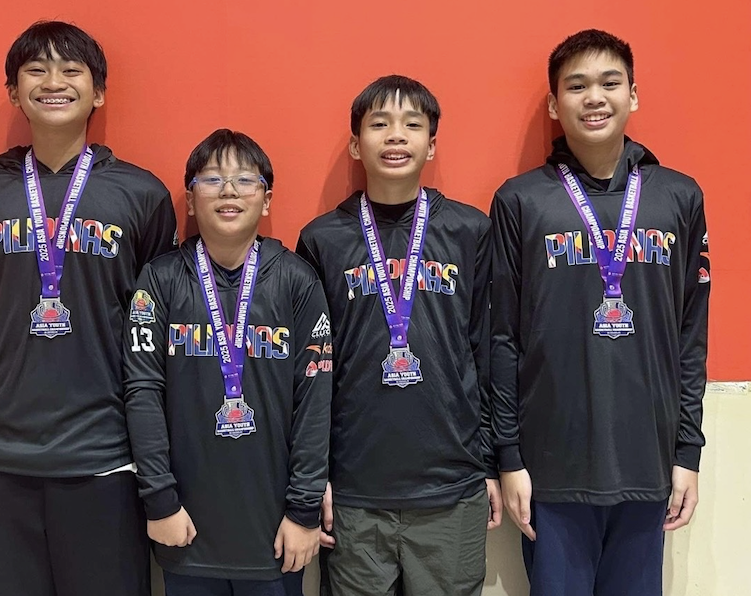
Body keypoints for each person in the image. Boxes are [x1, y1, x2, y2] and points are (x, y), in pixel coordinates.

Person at [0, 20, 177, 596]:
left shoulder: (142, 194)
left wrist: (158, 462)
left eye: (71, 70)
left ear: (99, 91)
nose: (53, 82)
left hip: (107, 460)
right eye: (36, 70)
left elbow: (157, 337)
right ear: (14, 92)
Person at [490, 29, 710, 596]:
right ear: (553, 103)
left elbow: (691, 337)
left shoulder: (679, 197)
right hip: (551, 469)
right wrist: (509, 457)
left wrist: (687, 452)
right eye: (577, 85)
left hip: (648, 463)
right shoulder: (520, 200)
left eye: (610, 83)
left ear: (633, 95)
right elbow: (501, 339)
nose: (594, 97)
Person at [296, 75, 500, 596]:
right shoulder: (322, 239)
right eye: (379, 124)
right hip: (355, 490)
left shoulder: (468, 230)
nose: (395, 136)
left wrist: (495, 464)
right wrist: (313, 475)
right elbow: (311, 371)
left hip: (451, 486)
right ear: (354, 143)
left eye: (413, 125)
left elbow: (487, 350)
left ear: (432, 145)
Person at [123, 129, 332, 596]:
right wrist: (159, 500)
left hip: (275, 534)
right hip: (184, 526)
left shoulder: (298, 282)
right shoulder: (158, 280)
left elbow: (315, 402)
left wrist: (302, 511)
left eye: (244, 179)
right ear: (191, 201)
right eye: (212, 179)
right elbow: (142, 392)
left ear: (267, 199)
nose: (230, 190)